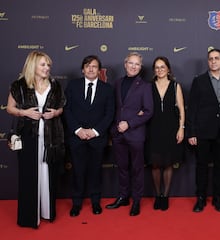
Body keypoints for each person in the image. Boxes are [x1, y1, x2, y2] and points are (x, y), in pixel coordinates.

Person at [6, 51, 66, 228]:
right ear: (33, 65)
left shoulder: (55, 85)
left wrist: (55, 113)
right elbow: (10, 108)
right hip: (28, 136)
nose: (47, 68)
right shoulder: (19, 85)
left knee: (48, 173)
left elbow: (61, 107)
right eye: (43, 65)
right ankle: (29, 217)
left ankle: (47, 212)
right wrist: (25, 112)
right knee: (29, 175)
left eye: (48, 65)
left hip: (51, 136)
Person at [64, 55, 115, 217]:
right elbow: (67, 110)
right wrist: (78, 130)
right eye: (87, 66)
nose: (91, 69)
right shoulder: (72, 86)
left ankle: (95, 202)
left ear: (99, 71)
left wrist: (95, 131)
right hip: (76, 138)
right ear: (83, 69)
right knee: (77, 171)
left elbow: (109, 114)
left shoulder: (107, 89)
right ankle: (76, 203)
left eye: (94, 66)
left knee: (95, 172)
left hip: (97, 138)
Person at [105, 52, 153, 216]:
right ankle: (123, 197)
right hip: (118, 135)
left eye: (137, 64)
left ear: (140, 67)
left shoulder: (145, 86)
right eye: (131, 63)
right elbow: (116, 108)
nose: (133, 66)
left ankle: (137, 201)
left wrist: (130, 123)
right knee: (122, 168)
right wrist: (115, 128)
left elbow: (148, 112)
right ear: (125, 64)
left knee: (137, 169)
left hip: (135, 135)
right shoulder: (118, 83)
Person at [187, 48, 220, 212]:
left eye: (216, 58)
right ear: (208, 62)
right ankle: (200, 198)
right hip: (202, 132)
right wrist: (191, 132)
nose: (213, 61)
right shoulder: (199, 81)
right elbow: (191, 109)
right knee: (201, 167)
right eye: (211, 59)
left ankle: (217, 199)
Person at [145, 56, 185, 211]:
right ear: (154, 70)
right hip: (153, 130)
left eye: (163, 67)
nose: (159, 70)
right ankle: (157, 195)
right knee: (155, 164)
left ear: (168, 69)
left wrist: (181, 128)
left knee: (168, 163)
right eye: (157, 67)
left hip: (171, 129)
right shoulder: (148, 86)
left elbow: (181, 109)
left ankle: (165, 196)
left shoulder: (175, 86)